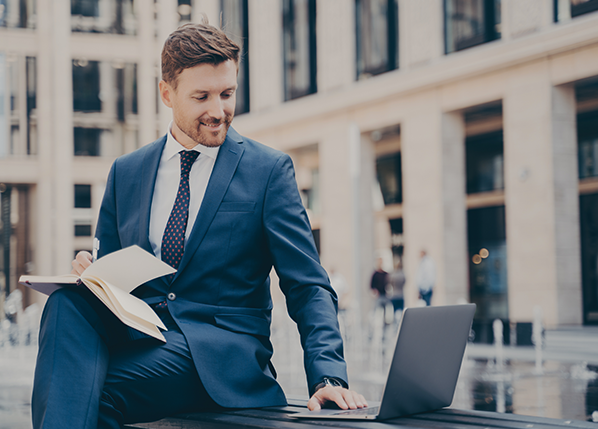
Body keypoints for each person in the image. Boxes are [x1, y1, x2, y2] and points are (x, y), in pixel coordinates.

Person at [31, 22, 366, 429]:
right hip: (143, 338)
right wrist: (94, 275)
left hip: (218, 354)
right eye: (201, 96)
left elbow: (307, 284)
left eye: (227, 94)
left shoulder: (268, 171)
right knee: (66, 302)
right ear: (166, 94)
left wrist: (328, 375)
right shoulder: (127, 171)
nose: (218, 110)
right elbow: (117, 280)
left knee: (82, 395)